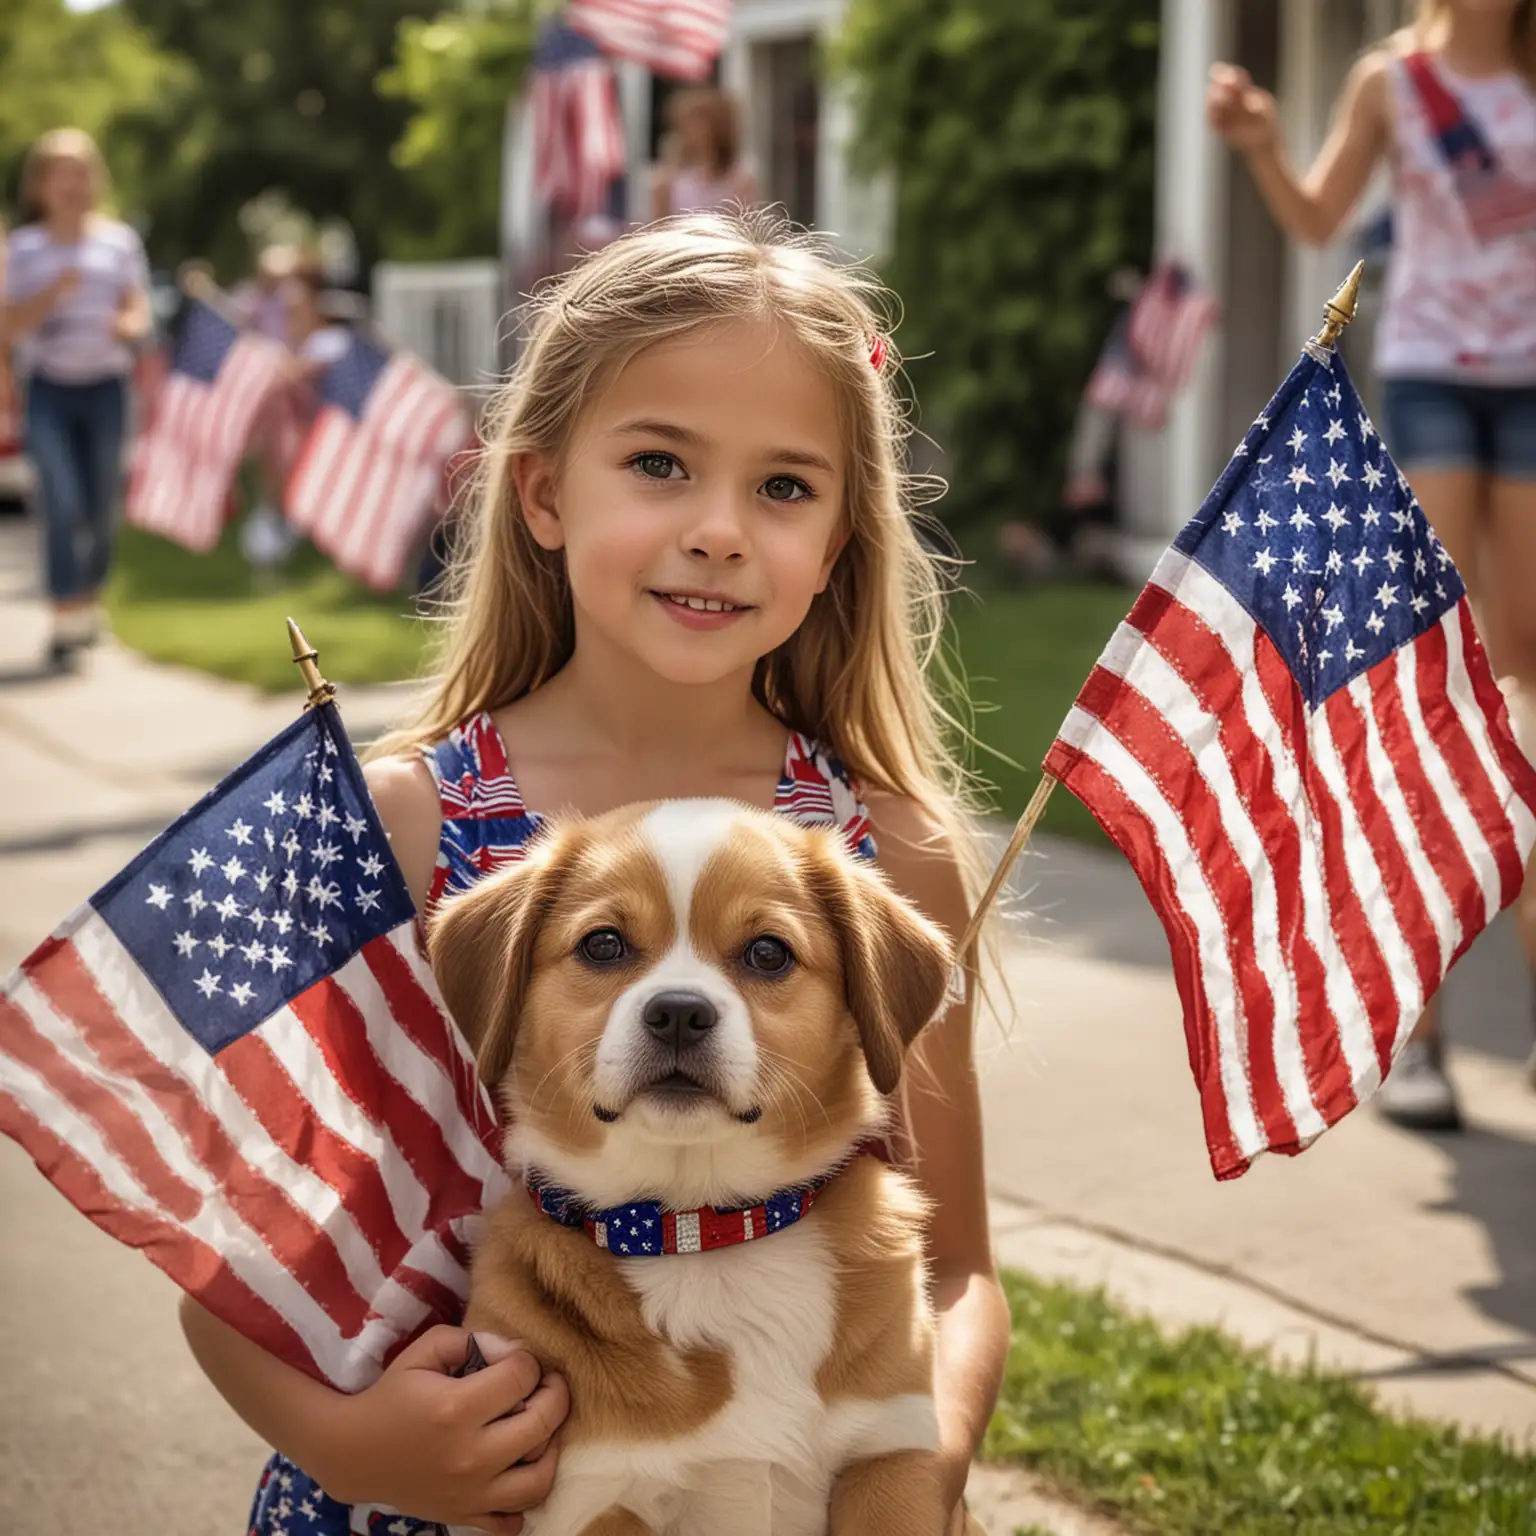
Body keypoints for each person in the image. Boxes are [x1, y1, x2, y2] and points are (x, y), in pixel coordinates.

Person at [178, 211, 1007, 1536]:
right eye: (663, 465)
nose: (723, 530)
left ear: (841, 539)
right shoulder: (408, 824)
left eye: (785, 488)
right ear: (548, 490)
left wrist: (912, 1464)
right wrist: (356, 1447)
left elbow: (958, 1270)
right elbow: (241, 1274)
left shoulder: (881, 852)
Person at [1207, 0, 1536, 1133]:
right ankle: (1422, 1036)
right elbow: (1317, 218)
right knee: (1442, 665)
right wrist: (1257, 141)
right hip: (1437, 371)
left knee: (1526, 673)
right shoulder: (1392, 81)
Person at [0, 128, 150, 668]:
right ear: (40, 184)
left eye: (84, 170)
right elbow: (9, 329)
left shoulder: (118, 242)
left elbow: (138, 309)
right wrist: (51, 295)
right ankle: (66, 615)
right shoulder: (24, 248)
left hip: (107, 388)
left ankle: (89, 599)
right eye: (62, 171)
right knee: (60, 502)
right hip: (48, 389)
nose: (74, 182)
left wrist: (126, 325)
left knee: (101, 505)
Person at [650, 86, 758, 220]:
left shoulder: (739, 176)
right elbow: (657, 224)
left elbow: (744, 223)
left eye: (696, 124)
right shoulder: (670, 176)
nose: (687, 131)